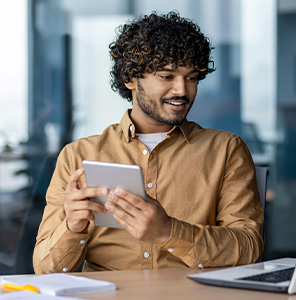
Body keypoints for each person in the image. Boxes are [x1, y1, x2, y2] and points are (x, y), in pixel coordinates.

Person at [33, 12, 263, 273]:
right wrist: (72, 228)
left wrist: (169, 232)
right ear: (131, 79)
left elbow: (248, 247)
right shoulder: (78, 155)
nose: (182, 90)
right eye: (167, 76)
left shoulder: (226, 150)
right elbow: (45, 269)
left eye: (191, 78)